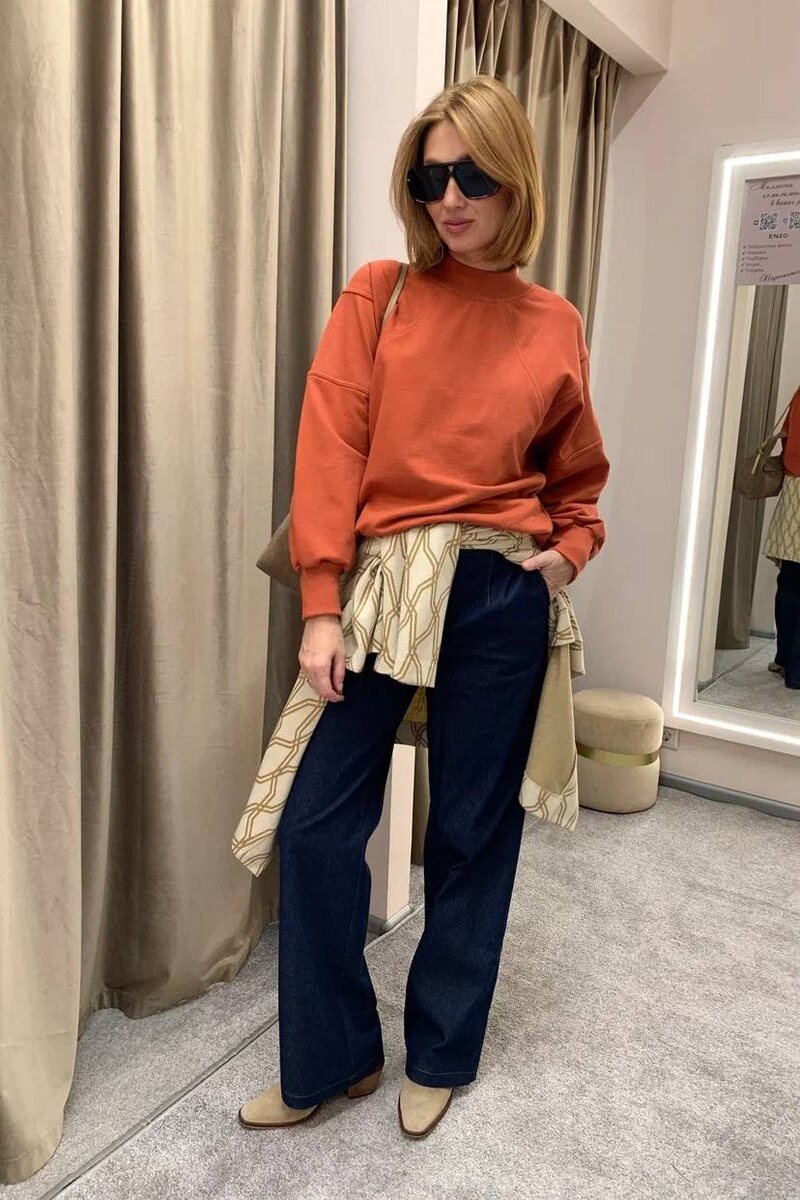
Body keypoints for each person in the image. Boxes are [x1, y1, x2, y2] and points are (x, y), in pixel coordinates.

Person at [237, 76, 610, 1138]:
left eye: (474, 176)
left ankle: (441, 1048)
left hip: (497, 589)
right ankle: (334, 1057)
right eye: (430, 176)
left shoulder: (553, 323)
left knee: (469, 832)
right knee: (316, 827)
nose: (450, 197)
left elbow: (576, 476)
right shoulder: (380, 293)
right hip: (385, 583)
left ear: (515, 182)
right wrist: (320, 602)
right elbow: (330, 447)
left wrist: (567, 552)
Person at [764, 383, 800, 689]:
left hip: (796, 487)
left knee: (790, 579)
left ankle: (786, 659)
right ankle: (796, 669)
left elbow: (788, 436)